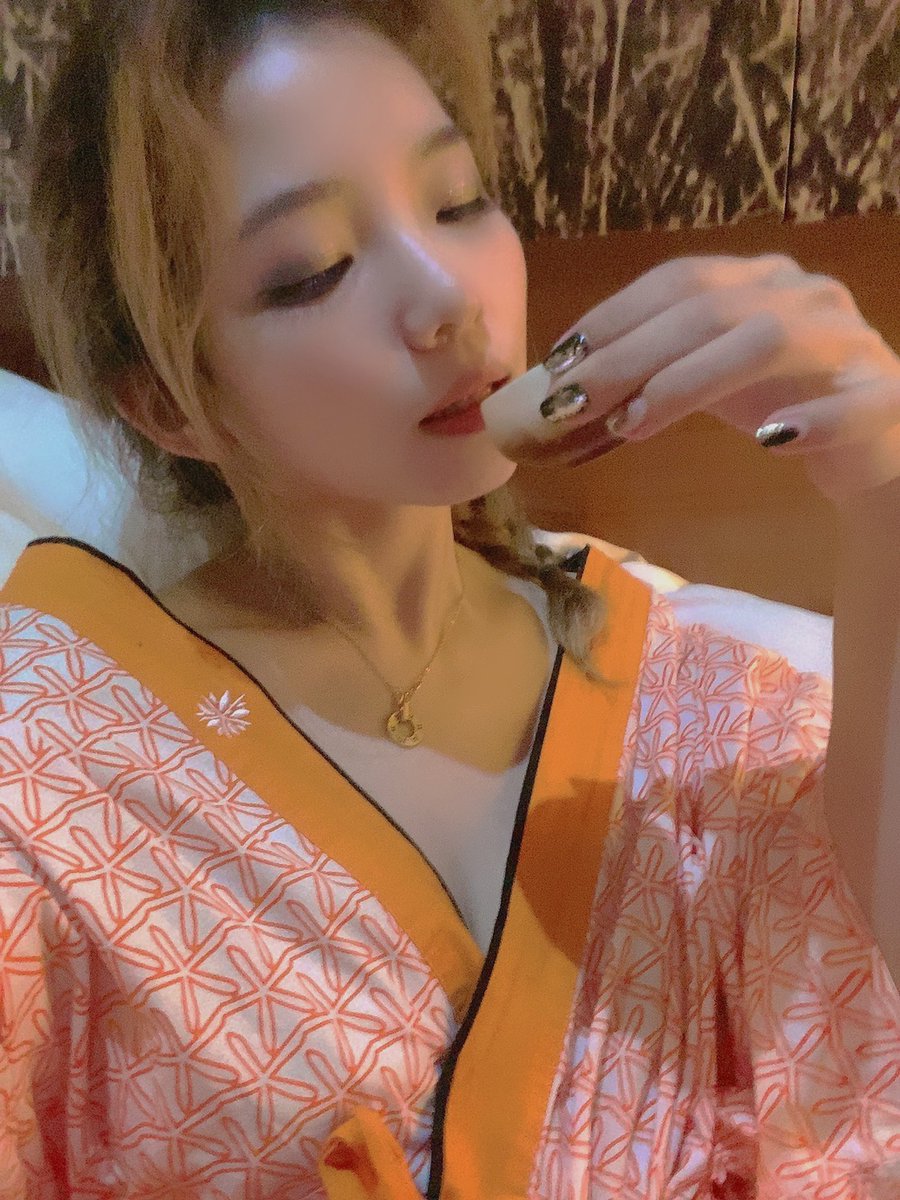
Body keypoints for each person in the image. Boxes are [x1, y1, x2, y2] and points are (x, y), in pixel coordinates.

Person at [2, 1, 899, 1197]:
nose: (445, 297)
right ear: (174, 404)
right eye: (313, 270)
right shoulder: (47, 770)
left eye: (459, 202)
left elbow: (854, 1045)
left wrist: (886, 490)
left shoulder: (704, 709)